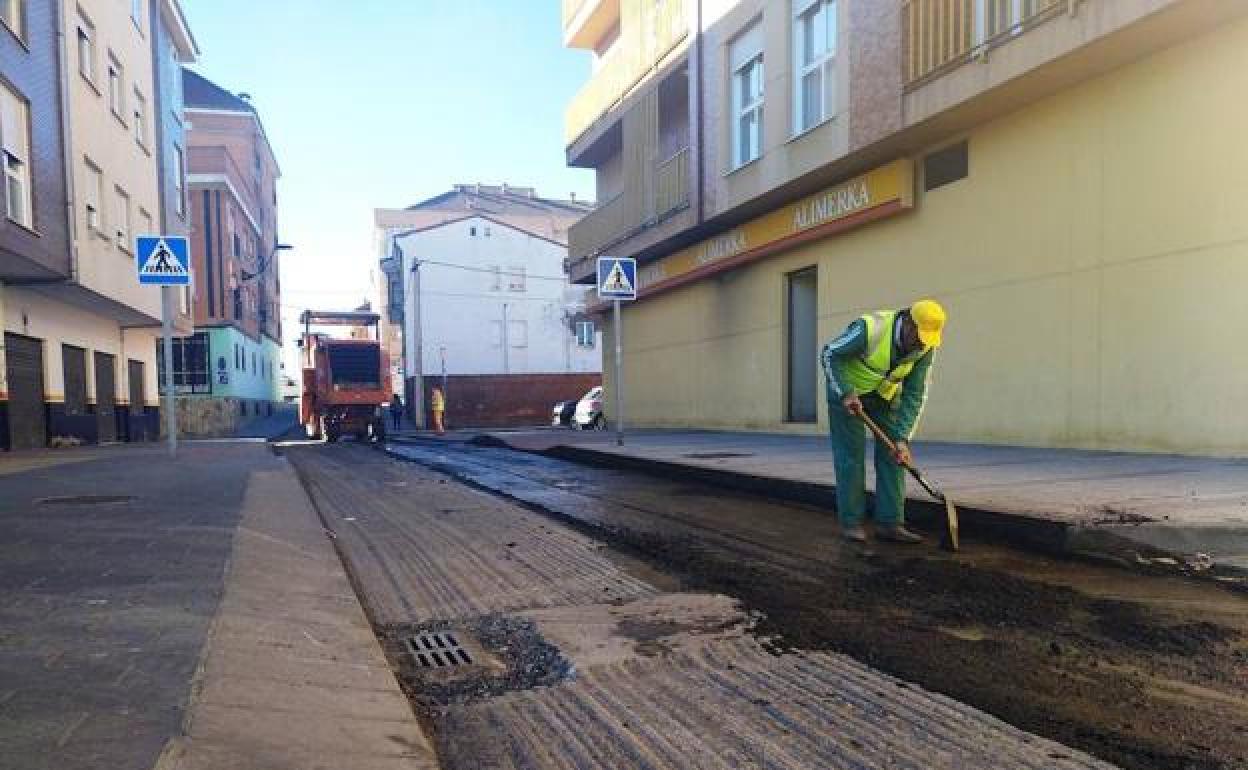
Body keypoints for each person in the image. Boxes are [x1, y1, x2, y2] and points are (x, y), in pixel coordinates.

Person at [821, 299, 946, 544]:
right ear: (908, 322)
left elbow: (915, 393)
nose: (921, 343)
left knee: (895, 455)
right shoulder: (870, 329)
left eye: (926, 339)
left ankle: (890, 523)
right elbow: (830, 354)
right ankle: (852, 522)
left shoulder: (925, 348)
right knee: (851, 457)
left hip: (883, 398)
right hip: (847, 393)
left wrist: (902, 438)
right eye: (919, 336)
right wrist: (845, 392)